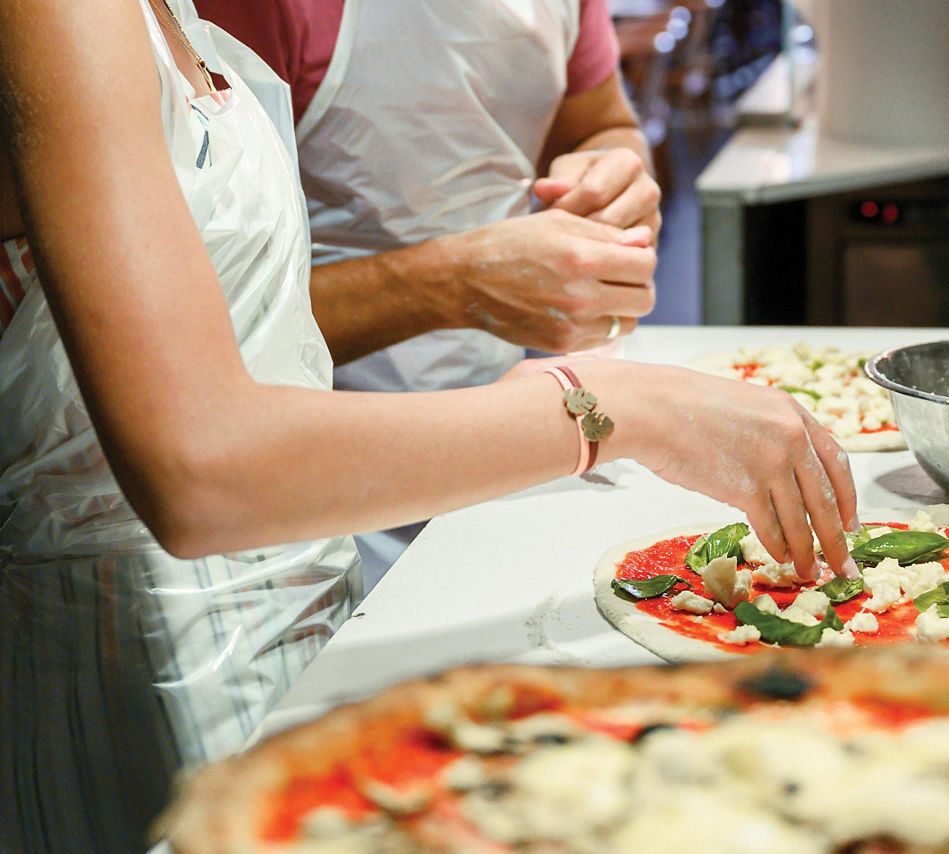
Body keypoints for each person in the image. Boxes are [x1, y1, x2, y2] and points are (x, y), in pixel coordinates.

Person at [0, 2, 858, 851]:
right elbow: (202, 470)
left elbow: (259, 337)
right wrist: (617, 406)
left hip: (307, 616)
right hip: (139, 674)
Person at [194, 0, 664, 590]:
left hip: (509, 435)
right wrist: (453, 283)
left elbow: (601, 122)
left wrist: (613, 174)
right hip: (310, 486)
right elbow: (212, 326)